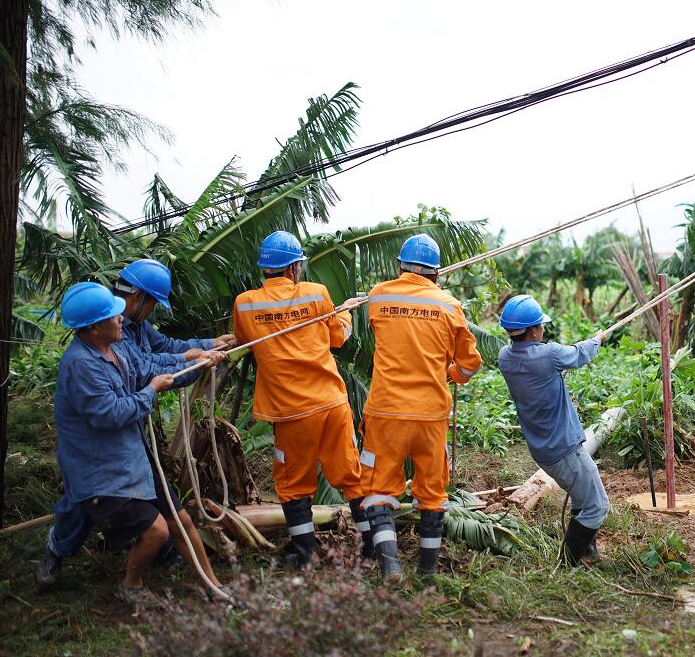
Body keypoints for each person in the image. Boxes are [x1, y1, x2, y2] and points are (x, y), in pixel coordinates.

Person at [37, 260, 228, 587]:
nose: (121, 319)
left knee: (161, 515)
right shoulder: (87, 358)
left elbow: (152, 361)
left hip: (127, 445)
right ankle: (58, 551)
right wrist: (180, 370)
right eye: (152, 303)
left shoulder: (116, 338)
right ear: (138, 297)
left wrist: (204, 352)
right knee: (81, 504)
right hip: (95, 457)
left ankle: (182, 562)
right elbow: (121, 402)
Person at [232, 231, 364, 567]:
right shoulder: (316, 293)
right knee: (351, 474)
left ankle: (304, 554)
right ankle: (372, 546)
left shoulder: (245, 303)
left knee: (293, 484)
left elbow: (244, 339)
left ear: (265, 269)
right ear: (293, 268)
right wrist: (345, 314)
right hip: (330, 402)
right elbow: (338, 337)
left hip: (290, 412)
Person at [360, 234, 482, 580]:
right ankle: (427, 571)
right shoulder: (450, 306)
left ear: (400, 266)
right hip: (430, 414)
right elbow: (470, 364)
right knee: (432, 492)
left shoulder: (378, 296)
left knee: (379, 488)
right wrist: (453, 374)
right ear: (437, 273)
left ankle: (390, 565)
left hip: (385, 411)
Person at [497, 295, 610, 565]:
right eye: (541, 326)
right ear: (533, 331)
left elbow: (539, 371)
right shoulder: (549, 355)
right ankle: (568, 563)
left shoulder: (505, 357)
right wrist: (598, 339)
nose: (543, 330)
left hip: (542, 449)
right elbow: (579, 353)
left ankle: (587, 552)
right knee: (597, 506)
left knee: (583, 496)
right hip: (563, 449)